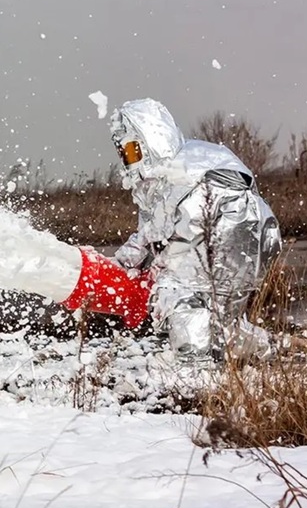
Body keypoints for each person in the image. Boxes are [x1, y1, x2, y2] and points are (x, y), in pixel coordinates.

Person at [106, 98, 282, 362]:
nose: (130, 161)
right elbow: (150, 231)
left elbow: (191, 220)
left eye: (133, 151)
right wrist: (121, 263)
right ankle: (260, 350)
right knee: (221, 317)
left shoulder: (179, 170)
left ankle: (196, 368)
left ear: (150, 140)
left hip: (227, 228)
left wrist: (163, 263)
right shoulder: (176, 168)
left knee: (178, 292)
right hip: (255, 235)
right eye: (125, 154)